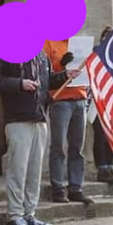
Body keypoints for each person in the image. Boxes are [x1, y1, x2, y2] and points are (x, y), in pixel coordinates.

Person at [0, 47, 74, 225]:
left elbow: (47, 81)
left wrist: (65, 75)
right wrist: (19, 83)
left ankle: (29, 213)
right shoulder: (4, 49)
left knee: (34, 170)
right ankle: (14, 215)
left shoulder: (41, 54)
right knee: (17, 169)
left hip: (40, 117)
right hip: (18, 119)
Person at [44, 37, 94, 205]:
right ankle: (58, 188)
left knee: (77, 148)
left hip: (79, 99)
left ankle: (75, 187)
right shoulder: (48, 43)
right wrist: (62, 67)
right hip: (61, 100)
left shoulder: (77, 43)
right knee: (58, 147)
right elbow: (46, 75)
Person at [91, 26, 113, 186]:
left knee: (111, 137)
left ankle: (110, 167)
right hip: (98, 101)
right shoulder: (96, 54)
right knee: (100, 135)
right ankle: (102, 168)